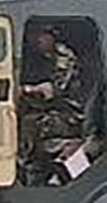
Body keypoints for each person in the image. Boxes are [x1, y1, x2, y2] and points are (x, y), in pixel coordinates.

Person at [19, 24, 86, 185]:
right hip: (51, 110)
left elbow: (53, 90)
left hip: (68, 115)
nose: (36, 40)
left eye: (40, 35)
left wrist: (26, 90)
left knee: (30, 124)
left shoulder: (64, 57)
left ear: (51, 36)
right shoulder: (41, 57)